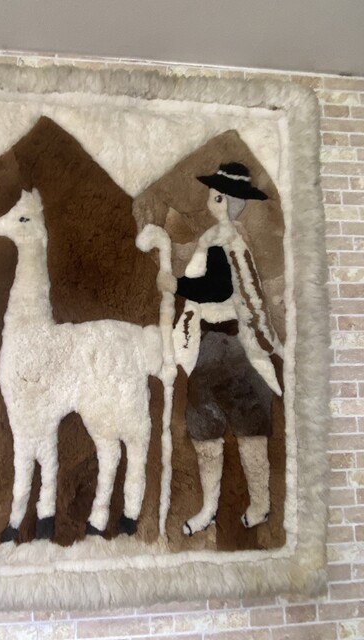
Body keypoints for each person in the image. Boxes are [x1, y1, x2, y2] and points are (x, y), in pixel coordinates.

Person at [172, 162, 283, 535]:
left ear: (226, 200)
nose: (212, 199)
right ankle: (211, 508)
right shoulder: (215, 238)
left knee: (246, 428)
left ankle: (260, 504)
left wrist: (176, 285)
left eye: (216, 195)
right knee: (208, 431)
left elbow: (218, 288)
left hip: (229, 347)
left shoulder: (227, 241)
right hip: (211, 345)